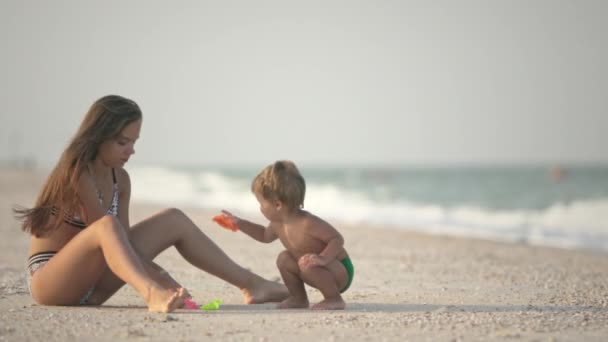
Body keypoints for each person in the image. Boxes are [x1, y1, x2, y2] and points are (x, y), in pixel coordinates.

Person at [13, 95, 288, 313]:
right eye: (123, 142)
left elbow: (124, 246)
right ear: (98, 137)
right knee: (106, 226)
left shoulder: (120, 179)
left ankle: (252, 285)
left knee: (173, 218)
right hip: (53, 284)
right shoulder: (78, 172)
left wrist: (164, 277)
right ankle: (151, 294)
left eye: (134, 141)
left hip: (94, 287)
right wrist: (159, 282)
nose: (131, 150)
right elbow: (105, 233)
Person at [221, 161, 354, 310]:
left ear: (277, 205)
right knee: (284, 258)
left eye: (261, 203)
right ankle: (298, 298)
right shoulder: (277, 224)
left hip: (340, 271)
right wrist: (239, 223)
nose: (260, 208)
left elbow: (337, 239)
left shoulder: (308, 223)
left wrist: (322, 258)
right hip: (313, 269)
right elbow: (264, 235)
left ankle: (334, 299)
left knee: (308, 262)